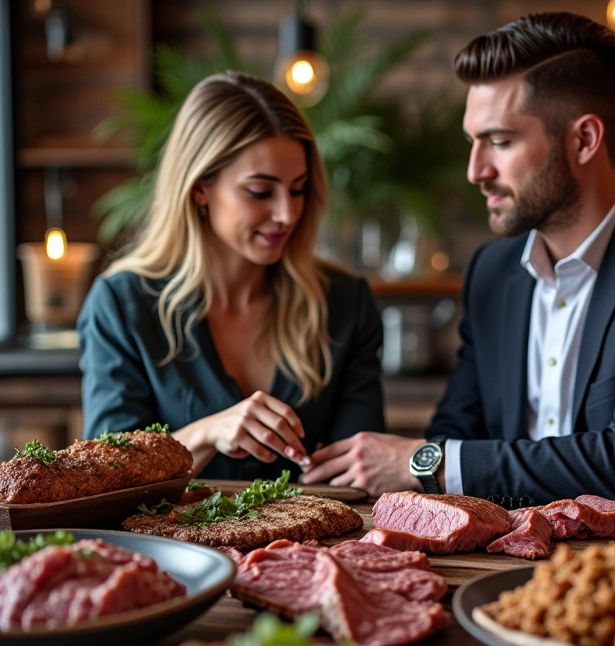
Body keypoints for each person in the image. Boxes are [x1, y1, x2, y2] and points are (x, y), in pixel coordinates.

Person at [299, 12, 615, 516]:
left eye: (499, 142)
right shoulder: (493, 272)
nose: (476, 170)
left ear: (584, 139)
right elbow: (458, 430)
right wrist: (437, 460)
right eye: (473, 141)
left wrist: (425, 462)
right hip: (507, 569)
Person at [78, 71, 385, 480]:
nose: (287, 214)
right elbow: (102, 478)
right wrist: (206, 434)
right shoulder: (121, 304)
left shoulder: (344, 302)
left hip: (314, 544)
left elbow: (362, 474)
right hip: (167, 545)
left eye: (298, 189)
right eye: (260, 191)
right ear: (200, 187)